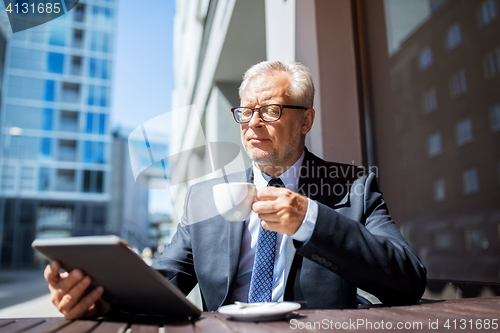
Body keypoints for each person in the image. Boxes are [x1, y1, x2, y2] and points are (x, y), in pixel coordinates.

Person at [44, 60, 426, 319]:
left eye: (270, 111)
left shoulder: (354, 188)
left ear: (306, 120)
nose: (252, 123)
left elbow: (407, 280)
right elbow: (166, 284)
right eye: (246, 112)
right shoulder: (204, 197)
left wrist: (310, 218)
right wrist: (97, 298)